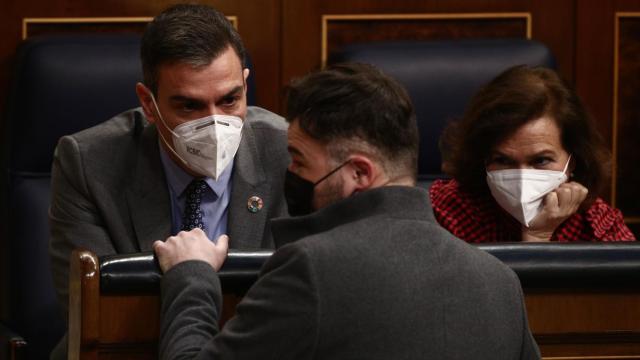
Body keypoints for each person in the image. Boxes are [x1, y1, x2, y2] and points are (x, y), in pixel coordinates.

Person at [153, 63, 540, 359]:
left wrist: (192, 275)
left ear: (359, 173)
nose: (291, 175)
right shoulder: (501, 283)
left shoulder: (311, 270)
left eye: (300, 161)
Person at [48, 4, 288, 357]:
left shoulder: (286, 151)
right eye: (189, 106)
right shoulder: (88, 163)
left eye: (229, 100)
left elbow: (302, 305)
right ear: (148, 103)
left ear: (245, 86)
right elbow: (102, 315)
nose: (215, 124)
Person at [431, 65, 636, 242]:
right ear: (482, 157)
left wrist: (538, 235)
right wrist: (536, 237)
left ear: (573, 161)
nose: (522, 179)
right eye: (502, 160)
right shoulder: (446, 212)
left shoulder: (595, 224)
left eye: (541, 160)